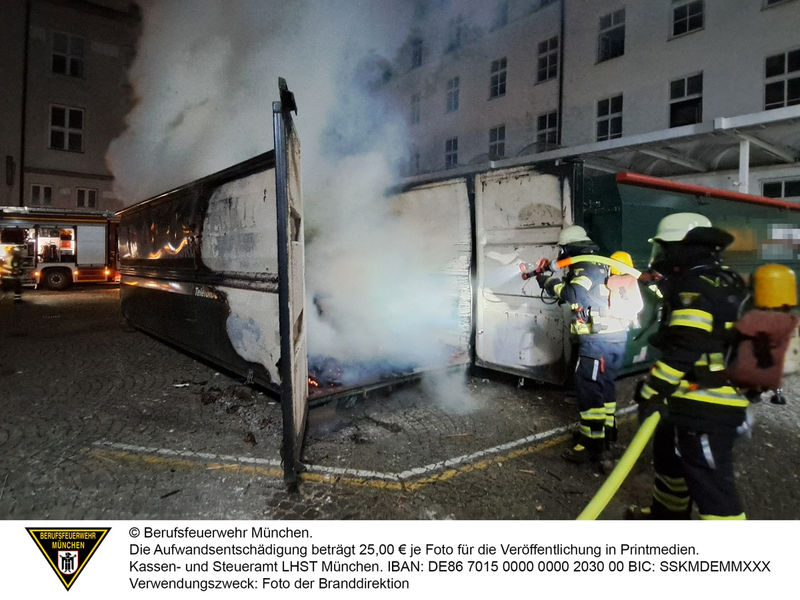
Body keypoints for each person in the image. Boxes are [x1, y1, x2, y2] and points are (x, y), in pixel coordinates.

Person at [631, 213, 749, 520]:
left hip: (706, 405)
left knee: (712, 489)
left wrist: (653, 389)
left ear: (678, 247)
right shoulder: (719, 278)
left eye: (663, 248)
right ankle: (665, 520)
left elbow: (687, 346)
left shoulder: (694, 287)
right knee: (671, 467)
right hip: (686, 400)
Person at [535, 225, 628, 464]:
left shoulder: (584, 265)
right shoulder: (600, 260)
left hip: (598, 340)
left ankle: (592, 445)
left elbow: (575, 295)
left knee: (588, 386)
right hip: (615, 336)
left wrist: (548, 282)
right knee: (604, 386)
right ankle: (607, 434)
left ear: (568, 247)